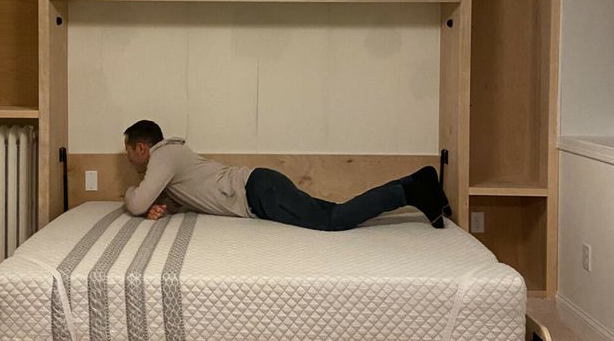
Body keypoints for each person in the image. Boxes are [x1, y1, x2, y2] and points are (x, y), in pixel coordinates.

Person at [123, 119, 451, 231]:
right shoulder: (173, 156)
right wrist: (163, 207)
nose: (132, 162)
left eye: (129, 153)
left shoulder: (163, 155)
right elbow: (185, 193)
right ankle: (415, 182)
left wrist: (130, 194)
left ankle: (409, 193)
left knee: (333, 219)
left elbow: (137, 203)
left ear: (141, 147)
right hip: (260, 186)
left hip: (259, 193)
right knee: (331, 212)